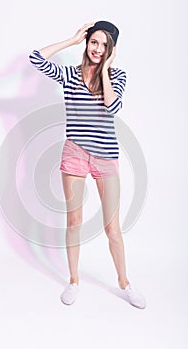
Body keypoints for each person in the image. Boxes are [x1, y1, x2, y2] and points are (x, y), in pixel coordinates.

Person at [29, 21, 146, 309]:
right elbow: (36, 58)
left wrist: (105, 69)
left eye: (104, 45)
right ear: (87, 43)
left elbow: (112, 107)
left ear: (112, 50)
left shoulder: (117, 75)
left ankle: (124, 283)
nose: (98, 49)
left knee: (112, 228)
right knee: (74, 221)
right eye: (94, 42)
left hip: (106, 157)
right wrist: (71, 40)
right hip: (75, 154)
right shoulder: (70, 75)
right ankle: (73, 280)